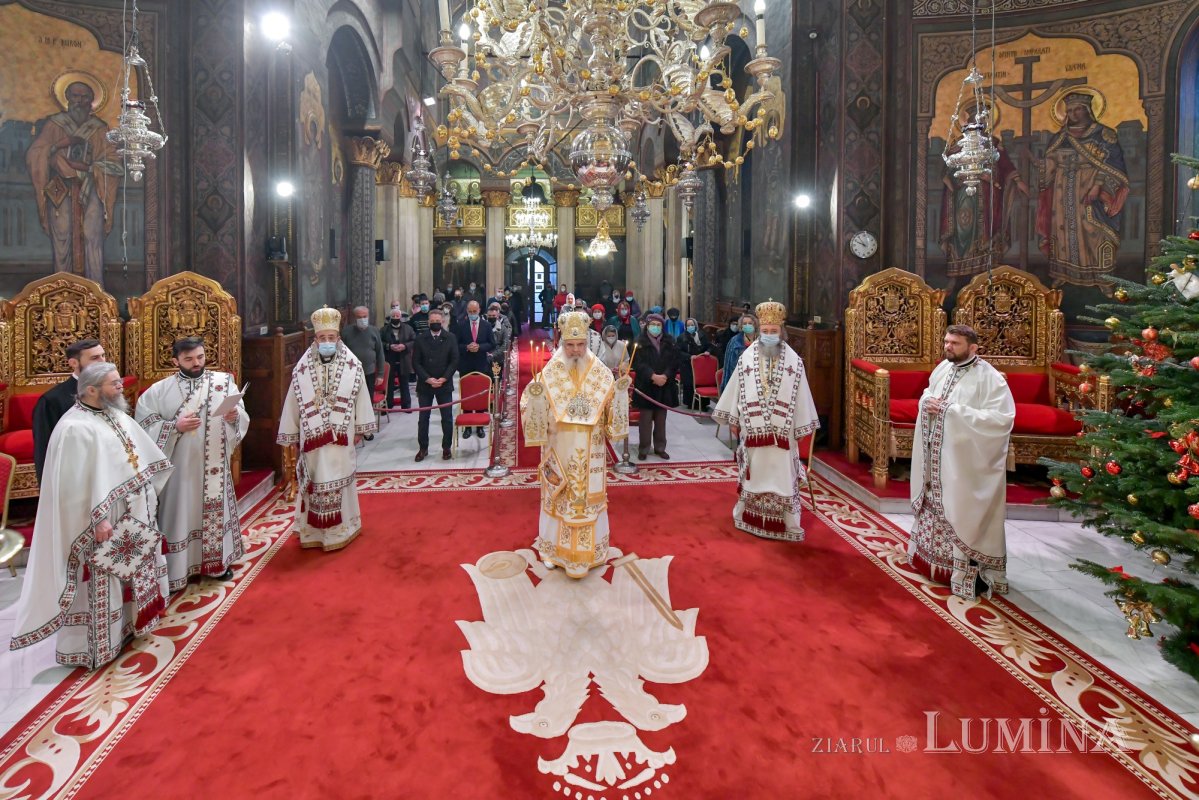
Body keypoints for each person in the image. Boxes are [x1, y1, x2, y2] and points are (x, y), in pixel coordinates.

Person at [11, 362, 172, 668]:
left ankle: (131, 626)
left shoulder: (114, 414)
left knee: (131, 572)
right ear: (91, 390)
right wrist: (98, 519)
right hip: (103, 518)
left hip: (132, 511)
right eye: (114, 384)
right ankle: (101, 645)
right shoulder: (74, 428)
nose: (121, 386)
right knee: (105, 577)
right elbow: (72, 485)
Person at [908, 324, 1015, 600]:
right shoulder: (942, 369)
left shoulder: (990, 379)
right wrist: (927, 404)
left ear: (973, 348)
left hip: (965, 467)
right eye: (946, 341)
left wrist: (948, 411)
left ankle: (964, 574)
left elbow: (1000, 421)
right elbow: (927, 395)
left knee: (960, 509)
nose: (948, 347)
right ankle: (927, 561)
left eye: (955, 343)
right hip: (938, 459)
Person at [520, 311, 630, 577]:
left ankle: (592, 551)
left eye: (580, 344)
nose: (576, 350)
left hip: (591, 449)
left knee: (587, 502)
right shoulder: (550, 372)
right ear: (562, 343)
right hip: (560, 445)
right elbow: (531, 406)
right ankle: (552, 550)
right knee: (559, 498)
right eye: (570, 345)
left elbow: (611, 413)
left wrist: (620, 395)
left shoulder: (600, 373)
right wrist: (535, 401)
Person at [134, 337, 248, 590]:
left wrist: (233, 415)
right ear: (175, 361)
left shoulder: (223, 382)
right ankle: (177, 570)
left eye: (200, 357)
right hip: (179, 470)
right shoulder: (159, 391)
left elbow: (240, 414)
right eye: (188, 359)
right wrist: (173, 427)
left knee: (213, 512)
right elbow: (142, 427)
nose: (196, 363)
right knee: (179, 514)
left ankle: (216, 565)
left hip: (214, 466)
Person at [713, 301, 819, 541]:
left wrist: (802, 426)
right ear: (760, 331)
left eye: (774, 332)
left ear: (782, 332)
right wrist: (734, 418)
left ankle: (786, 524)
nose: (769, 336)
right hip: (753, 434)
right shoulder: (745, 359)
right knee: (755, 474)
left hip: (783, 437)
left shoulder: (795, 362)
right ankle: (748, 517)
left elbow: (802, 395)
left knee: (782, 477)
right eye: (766, 332)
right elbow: (737, 388)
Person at [277, 307, 377, 551]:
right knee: (314, 481)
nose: (327, 342)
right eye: (323, 339)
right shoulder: (301, 369)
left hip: (340, 439)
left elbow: (361, 397)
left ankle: (343, 529)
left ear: (338, 339)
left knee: (340, 479)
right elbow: (292, 401)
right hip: (312, 439)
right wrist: (291, 434)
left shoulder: (353, 366)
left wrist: (361, 428)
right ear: (315, 340)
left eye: (331, 338)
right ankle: (313, 531)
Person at [26, 79, 123, 282]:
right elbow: (35, 153)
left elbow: (114, 162)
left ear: (91, 102)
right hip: (60, 189)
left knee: (91, 236)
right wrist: (56, 149)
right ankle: (62, 289)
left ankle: (95, 290)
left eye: (85, 97)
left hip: (92, 188)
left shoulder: (99, 129)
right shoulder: (55, 124)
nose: (79, 101)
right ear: (67, 99)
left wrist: (88, 168)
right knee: (62, 236)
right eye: (75, 96)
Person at [1036, 90, 1130, 288]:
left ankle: (1103, 279)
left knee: (1094, 230)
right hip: (1062, 190)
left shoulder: (1104, 135)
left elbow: (1114, 167)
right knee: (1062, 230)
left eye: (1078, 109)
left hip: (1090, 186)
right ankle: (1064, 272)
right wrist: (1044, 166)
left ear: (1088, 110)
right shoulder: (1060, 136)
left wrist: (1097, 187)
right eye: (1069, 110)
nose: (1073, 114)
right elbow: (1050, 163)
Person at [31, 337, 107, 483]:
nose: (102, 362)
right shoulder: (52, 400)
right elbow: (44, 450)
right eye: (95, 358)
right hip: (72, 475)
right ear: (74, 363)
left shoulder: (109, 392)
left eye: (103, 355)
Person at [631, 312, 681, 460]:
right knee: (645, 421)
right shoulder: (640, 342)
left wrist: (665, 376)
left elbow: (674, 361)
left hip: (664, 386)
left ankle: (660, 448)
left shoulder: (670, 341)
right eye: (653, 325)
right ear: (647, 325)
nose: (655, 327)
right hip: (646, 386)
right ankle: (644, 449)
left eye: (658, 325)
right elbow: (638, 363)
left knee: (661, 421)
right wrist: (652, 376)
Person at [413, 308, 459, 461]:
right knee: (423, 418)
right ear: (428, 323)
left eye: (437, 322)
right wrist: (427, 379)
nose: (435, 324)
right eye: (432, 322)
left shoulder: (450, 337)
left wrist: (444, 378)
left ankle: (446, 447)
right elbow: (416, 363)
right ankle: (423, 448)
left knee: (446, 417)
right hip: (426, 384)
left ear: (442, 322)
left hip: (444, 384)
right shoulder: (420, 339)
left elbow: (454, 361)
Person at [340, 306, 385, 440]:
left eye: (365, 316)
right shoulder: (347, 332)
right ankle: (353, 428)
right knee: (352, 401)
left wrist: (381, 374)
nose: (362, 319)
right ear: (355, 318)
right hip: (351, 374)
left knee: (367, 401)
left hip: (369, 373)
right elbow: (341, 352)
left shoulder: (374, 331)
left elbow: (380, 353)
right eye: (359, 317)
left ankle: (367, 430)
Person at [454, 300, 495, 439]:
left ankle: (479, 426)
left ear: (479, 310)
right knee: (467, 394)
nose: (472, 314)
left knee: (479, 394)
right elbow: (456, 344)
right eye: (470, 312)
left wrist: (479, 347)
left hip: (481, 364)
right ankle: (466, 426)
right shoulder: (461, 325)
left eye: (474, 311)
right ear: (467, 311)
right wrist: (466, 347)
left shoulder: (486, 325)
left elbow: (491, 344)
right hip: (465, 364)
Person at [381, 307, 414, 409]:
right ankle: (388, 405)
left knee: (404, 383)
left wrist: (404, 346)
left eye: (397, 316)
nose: (395, 318)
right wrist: (389, 346)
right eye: (393, 316)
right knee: (389, 384)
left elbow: (414, 341)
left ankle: (406, 405)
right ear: (390, 318)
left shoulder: (408, 328)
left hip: (403, 359)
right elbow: (379, 343)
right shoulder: (384, 329)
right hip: (389, 359)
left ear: (401, 317)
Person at [678, 317, 714, 408]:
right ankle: (690, 404)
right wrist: (689, 356)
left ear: (696, 326)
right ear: (686, 327)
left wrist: (708, 351)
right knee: (689, 384)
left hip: (701, 365)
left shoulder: (702, 335)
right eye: (688, 325)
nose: (691, 327)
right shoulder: (681, 337)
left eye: (692, 325)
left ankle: (703, 405)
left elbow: (709, 346)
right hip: (687, 365)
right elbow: (678, 352)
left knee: (702, 383)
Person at [720, 313, 758, 391]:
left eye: (750, 323)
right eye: (744, 324)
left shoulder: (760, 340)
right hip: (738, 377)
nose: (747, 325)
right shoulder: (735, 341)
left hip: (757, 378)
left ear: (755, 324)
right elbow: (730, 363)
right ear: (741, 326)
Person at [488, 302, 512, 370]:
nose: (491, 317)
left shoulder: (503, 327)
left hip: (498, 355)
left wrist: (494, 354)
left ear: (497, 315)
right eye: (489, 316)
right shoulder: (483, 326)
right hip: (486, 356)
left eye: (493, 316)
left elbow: (505, 344)